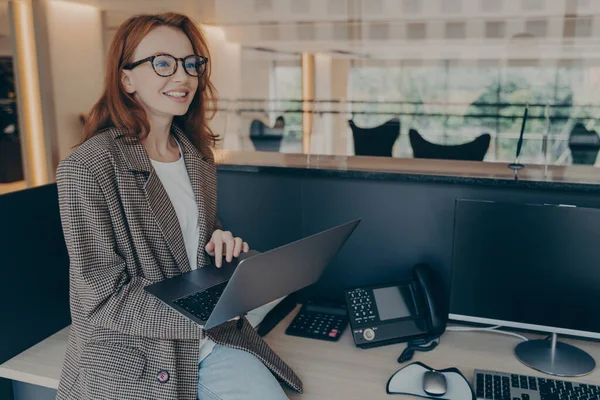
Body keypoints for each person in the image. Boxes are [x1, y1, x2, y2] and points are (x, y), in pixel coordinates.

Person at [55, 12, 302, 400]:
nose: (183, 77)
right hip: (135, 357)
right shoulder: (88, 168)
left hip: (209, 343)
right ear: (127, 78)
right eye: (162, 63)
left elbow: (188, 249)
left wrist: (219, 245)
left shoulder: (196, 157)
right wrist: (207, 312)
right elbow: (103, 299)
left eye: (191, 64)